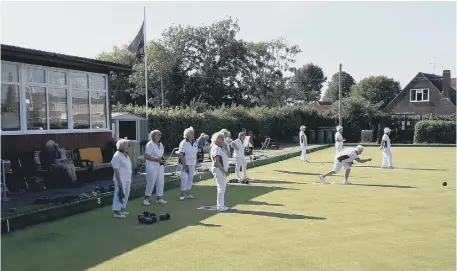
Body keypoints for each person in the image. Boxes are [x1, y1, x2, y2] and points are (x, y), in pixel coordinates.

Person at [143, 130, 167, 206]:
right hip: (151, 165)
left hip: (160, 165)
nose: (158, 137)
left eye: (159, 135)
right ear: (152, 136)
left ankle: (159, 198)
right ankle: (146, 199)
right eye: (156, 135)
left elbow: (160, 155)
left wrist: (163, 158)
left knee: (160, 181)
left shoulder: (161, 144)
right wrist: (157, 159)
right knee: (151, 182)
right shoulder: (150, 144)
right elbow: (146, 156)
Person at [111, 139, 132, 218]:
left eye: (128, 145)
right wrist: (119, 182)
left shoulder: (125, 155)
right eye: (126, 145)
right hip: (120, 179)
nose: (128, 147)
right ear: (121, 146)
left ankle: (121, 210)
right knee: (118, 195)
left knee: (126, 194)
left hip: (127, 178)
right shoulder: (117, 156)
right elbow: (116, 170)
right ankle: (116, 212)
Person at [210, 131, 230, 212]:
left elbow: (228, 155)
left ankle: (221, 205)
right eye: (221, 139)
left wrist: (225, 147)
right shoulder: (216, 148)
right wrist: (223, 171)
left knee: (222, 188)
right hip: (219, 170)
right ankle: (220, 206)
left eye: (223, 138)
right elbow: (216, 161)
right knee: (221, 188)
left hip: (221, 170)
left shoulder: (220, 147)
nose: (223, 140)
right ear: (217, 139)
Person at [178, 126, 198, 200]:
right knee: (184, 178)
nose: (193, 134)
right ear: (187, 135)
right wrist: (184, 165)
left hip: (192, 163)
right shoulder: (183, 143)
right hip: (184, 163)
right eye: (192, 133)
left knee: (190, 178)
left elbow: (195, 154)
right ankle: (182, 194)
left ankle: (188, 194)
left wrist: (196, 163)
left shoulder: (195, 142)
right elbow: (181, 155)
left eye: (193, 133)